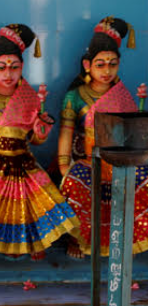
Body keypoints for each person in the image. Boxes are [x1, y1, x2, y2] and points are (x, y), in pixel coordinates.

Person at [0, 24, 79, 262]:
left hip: (24, 159)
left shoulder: (29, 97)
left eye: (14, 67)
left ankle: (33, 241)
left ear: (22, 68)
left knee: (35, 197)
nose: (8, 74)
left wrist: (41, 132)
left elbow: (35, 141)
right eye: (2, 67)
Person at [57, 17, 146, 258]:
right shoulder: (75, 96)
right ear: (87, 65)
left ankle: (132, 237)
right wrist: (64, 164)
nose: (107, 71)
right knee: (76, 182)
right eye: (100, 64)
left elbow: (133, 135)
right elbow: (65, 131)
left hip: (117, 160)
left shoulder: (122, 95)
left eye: (113, 64)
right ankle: (78, 239)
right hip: (86, 159)